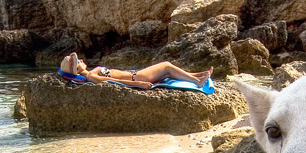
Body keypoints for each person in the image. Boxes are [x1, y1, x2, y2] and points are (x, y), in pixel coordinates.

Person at [59, 52, 212, 89]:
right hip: (137, 77)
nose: (81, 60)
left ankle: (197, 75)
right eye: (78, 62)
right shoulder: (92, 76)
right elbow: (115, 81)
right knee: (166, 65)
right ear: (77, 69)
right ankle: (197, 81)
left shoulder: (93, 72)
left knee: (167, 72)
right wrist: (139, 83)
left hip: (136, 75)